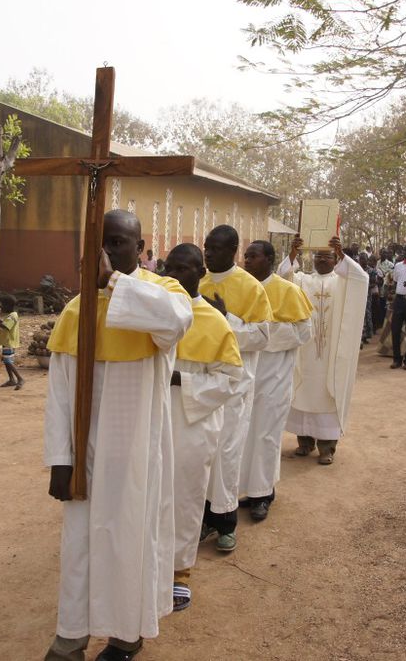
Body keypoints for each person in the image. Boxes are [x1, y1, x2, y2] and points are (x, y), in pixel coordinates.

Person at [43, 210, 193, 661]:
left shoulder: (161, 293)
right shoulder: (75, 309)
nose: (108, 253)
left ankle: (128, 634)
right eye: (100, 245)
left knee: (129, 535)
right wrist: (59, 458)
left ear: (141, 248)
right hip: (85, 452)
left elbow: (175, 322)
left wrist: (114, 284)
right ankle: (71, 635)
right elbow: (59, 394)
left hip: (134, 452)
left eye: (119, 242)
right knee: (81, 541)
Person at [162, 243, 243, 613]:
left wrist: (183, 382)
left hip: (194, 424)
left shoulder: (213, 320)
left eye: (183, 269)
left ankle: (180, 572)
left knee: (186, 496)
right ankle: (151, 563)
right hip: (154, 419)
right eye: (169, 268)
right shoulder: (156, 313)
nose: (174, 276)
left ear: (199, 272)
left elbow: (231, 380)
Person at [198, 225, 273, 553]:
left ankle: (226, 523)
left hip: (234, 384)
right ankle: (201, 518)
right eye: (205, 246)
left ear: (232, 251)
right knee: (202, 453)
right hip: (200, 382)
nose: (208, 252)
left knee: (227, 454)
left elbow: (261, 337)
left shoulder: (251, 288)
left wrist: (225, 318)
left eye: (215, 248)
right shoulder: (196, 282)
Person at [278, 235, 369, 465]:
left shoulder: (342, 282)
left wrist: (342, 255)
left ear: (334, 260)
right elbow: (283, 278)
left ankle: (327, 447)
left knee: (329, 394)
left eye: (327, 257)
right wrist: (293, 253)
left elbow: (361, 278)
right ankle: (304, 442)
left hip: (330, 355)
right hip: (306, 354)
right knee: (303, 394)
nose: (321, 260)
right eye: (318, 256)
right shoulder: (302, 281)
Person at [239, 239, 313, 521]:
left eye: (253, 256)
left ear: (269, 259)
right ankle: (245, 489)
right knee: (243, 434)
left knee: (265, 434)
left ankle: (262, 493)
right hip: (245, 374)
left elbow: (303, 332)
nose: (247, 260)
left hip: (274, 375)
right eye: (245, 256)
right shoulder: (242, 287)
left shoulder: (288, 291)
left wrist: (261, 334)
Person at [0, 294, 24, 389]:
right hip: (6, 342)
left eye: (2, 305)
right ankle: (12, 379)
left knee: (7, 361)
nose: (1, 307)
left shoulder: (12, 316)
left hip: (9, 342)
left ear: (8, 305)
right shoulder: (11, 315)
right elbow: (5, 323)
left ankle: (20, 378)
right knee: (7, 361)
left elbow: (5, 326)